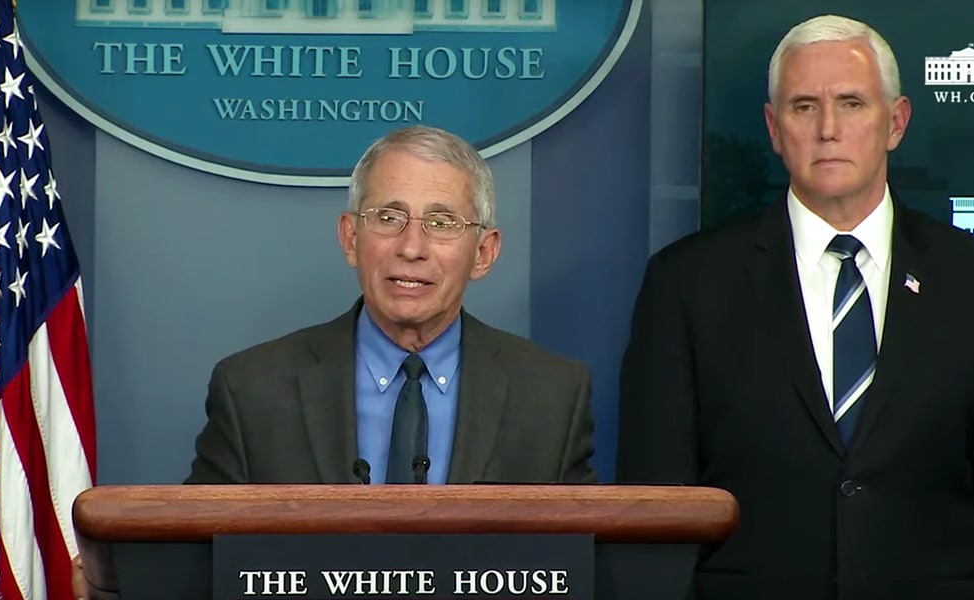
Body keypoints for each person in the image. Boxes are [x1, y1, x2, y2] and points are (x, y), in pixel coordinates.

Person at [72, 125, 596, 597]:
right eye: (388, 218)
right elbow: (195, 565)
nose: (411, 247)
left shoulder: (550, 396)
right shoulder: (253, 389)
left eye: (441, 222)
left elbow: (585, 571)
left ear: (484, 252)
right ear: (351, 238)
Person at [618, 14, 974, 600]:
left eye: (851, 103)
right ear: (773, 126)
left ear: (896, 122)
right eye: (804, 107)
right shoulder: (687, 283)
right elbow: (656, 508)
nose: (829, 130)